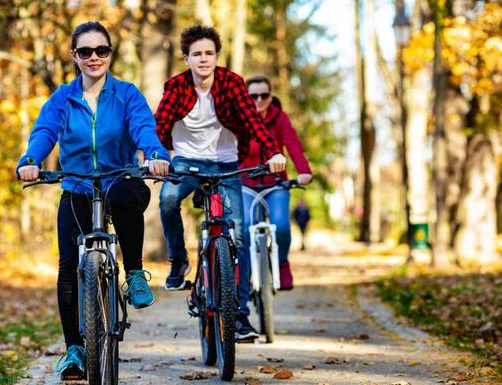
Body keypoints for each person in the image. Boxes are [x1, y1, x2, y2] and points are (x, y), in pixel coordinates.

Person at [16, 22, 170, 380]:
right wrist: (31, 160)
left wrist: (156, 153)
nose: (94, 57)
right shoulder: (62, 98)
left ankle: (133, 272)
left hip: (120, 178)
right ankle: (74, 349)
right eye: (85, 52)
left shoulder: (127, 94)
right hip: (78, 186)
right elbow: (44, 132)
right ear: (74, 56)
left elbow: (144, 128)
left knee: (124, 195)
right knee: (68, 266)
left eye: (101, 50)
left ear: (110, 53)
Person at [154, 25, 286, 341]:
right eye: (196, 54)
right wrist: (155, 156)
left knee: (238, 235)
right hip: (185, 161)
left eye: (209, 53)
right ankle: (179, 261)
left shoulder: (232, 83)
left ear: (216, 57)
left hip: (226, 162)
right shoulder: (176, 87)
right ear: (186, 58)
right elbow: (159, 126)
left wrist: (273, 152)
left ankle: (239, 315)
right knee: (168, 199)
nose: (203, 59)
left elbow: (253, 122)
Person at [240, 75, 312, 290]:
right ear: (246, 98)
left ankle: (281, 263)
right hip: (245, 183)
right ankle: (246, 271)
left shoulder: (280, 118)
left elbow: (293, 144)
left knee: (280, 225)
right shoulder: (239, 119)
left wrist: (304, 171)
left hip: (275, 184)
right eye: (253, 96)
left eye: (264, 95)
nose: (258, 100)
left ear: (271, 97)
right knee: (244, 226)